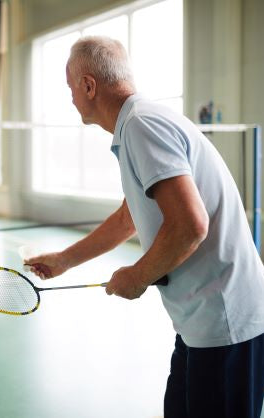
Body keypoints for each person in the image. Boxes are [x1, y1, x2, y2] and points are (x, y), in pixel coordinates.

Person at [25, 36, 264, 418]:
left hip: (225, 321)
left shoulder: (141, 125)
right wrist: (65, 259)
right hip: (199, 323)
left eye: (71, 87)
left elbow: (189, 225)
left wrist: (137, 276)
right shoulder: (137, 124)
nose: (70, 97)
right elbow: (129, 217)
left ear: (89, 86)